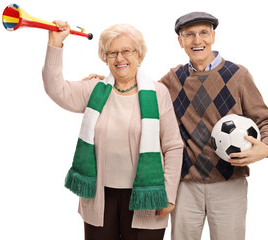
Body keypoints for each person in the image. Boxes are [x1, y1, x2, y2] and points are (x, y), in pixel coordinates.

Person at [42, 21, 183, 240]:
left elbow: (173, 146)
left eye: (127, 51)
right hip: (101, 196)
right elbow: (56, 89)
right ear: (104, 57)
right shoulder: (94, 90)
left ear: (139, 55)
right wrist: (55, 45)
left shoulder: (158, 92)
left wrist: (169, 195)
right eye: (112, 53)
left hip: (146, 196)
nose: (120, 58)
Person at [158, 12, 268, 240]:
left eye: (204, 33)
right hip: (185, 186)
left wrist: (267, 147)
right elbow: (139, 91)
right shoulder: (172, 79)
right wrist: (106, 81)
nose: (197, 41)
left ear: (213, 36)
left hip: (229, 182)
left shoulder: (238, 75)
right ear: (180, 41)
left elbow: (265, 121)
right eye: (189, 35)